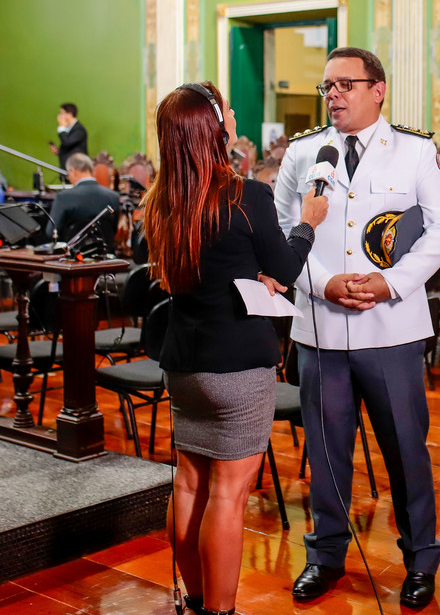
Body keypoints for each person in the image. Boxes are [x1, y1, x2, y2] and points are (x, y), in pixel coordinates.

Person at [273, 47, 440, 609]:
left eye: (345, 84)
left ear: (378, 89)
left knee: (405, 449)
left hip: (392, 328)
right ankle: (326, 556)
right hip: (321, 329)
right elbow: (283, 229)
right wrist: (322, 282)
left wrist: (391, 282)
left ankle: (420, 559)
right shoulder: (303, 153)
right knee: (327, 453)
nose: (333, 94)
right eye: (327, 86)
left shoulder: (415, 151)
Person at [148, 82, 328, 615]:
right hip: (237, 367)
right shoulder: (244, 195)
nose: (233, 115)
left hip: (183, 362)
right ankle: (220, 612)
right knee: (227, 497)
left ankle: (196, 599)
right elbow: (288, 268)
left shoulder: (161, 200)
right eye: (227, 110)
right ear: (215, 128)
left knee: (189, 486)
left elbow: (209, 268)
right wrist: (307, 226)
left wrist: (251, 272)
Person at [47, 152, 121, 246]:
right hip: (104, 254)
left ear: (72, 171)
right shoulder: (113, 196)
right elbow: (113, 230)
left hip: (71, 257)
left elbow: (51, 232)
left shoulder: (63, 197)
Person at [50, 102, 88, 169]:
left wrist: (61, 127)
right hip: (66, 169)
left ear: (70, 114)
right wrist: (59, 152)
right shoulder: (68, 129)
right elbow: (70, 149)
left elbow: (67, 142)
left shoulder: (79, 130)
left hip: (76, 169)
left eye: (62, 113)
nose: (59, 116)